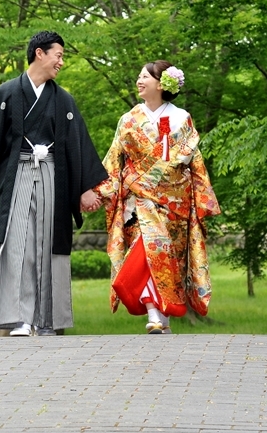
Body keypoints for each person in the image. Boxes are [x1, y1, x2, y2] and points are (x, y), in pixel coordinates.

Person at [0, 31, 106, 337]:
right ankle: (20, 319)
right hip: (16, 176)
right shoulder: (5, 94)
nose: (61, 62)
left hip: (53, 176)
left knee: (47, 244)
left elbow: (77, 145)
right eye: (59, 55)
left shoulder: (63, 99)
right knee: (19, 244)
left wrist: (85, 187)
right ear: (39, 53)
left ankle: (47, 319)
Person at [92, 60, 220, 334]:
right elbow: (115, 158)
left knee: (170, 259)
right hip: (138, 201)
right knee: (147, 252)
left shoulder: (182, 118)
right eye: (138, 76)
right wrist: (98, 190)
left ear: (162, 84)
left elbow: (192, 158)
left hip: (175, 202)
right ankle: (153, 313)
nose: (139, 81)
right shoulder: (128, 120)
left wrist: (203, 198)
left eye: (144, 77)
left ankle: (164, 317)